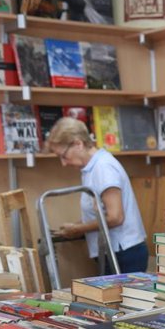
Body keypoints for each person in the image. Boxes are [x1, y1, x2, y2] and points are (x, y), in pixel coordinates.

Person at [46, 117, 148, 274]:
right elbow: (101, 212)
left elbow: (116, 217)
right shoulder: (91, 168)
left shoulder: (103, 167)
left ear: (78, 144)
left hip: (123, 253)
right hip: (114, 251)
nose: (63, 163)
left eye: (63, 156)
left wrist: (78, 229)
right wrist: (77, 225)